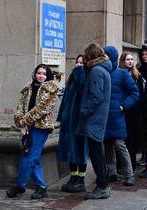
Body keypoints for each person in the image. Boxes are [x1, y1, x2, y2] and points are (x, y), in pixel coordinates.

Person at [6, 64, 60, 200]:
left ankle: (20, 186)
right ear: (35, 74)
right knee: (32, 158)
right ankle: (41, 187)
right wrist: (19, 119)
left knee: (29, 156)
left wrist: (25, 119)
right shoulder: (28, 88)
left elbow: (42, 108)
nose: (41, 76)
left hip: (41, 127)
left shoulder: (50, 90)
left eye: (44, 74)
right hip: (27, 127)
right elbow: (20, 105)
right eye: (38, 73)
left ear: (48, 76)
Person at [75, 43, 112, 199]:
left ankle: (102, 186)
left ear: (90, 56)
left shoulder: (97, 71)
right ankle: (103, 185)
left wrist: (83, 112)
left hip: (93, 119)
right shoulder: (102, 69)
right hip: (97, 118)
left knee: (96, 153)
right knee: (97, 153)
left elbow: (95, 97)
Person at [102, 46, 139, 186]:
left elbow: (134, 93)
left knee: (119, 145)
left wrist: (124, 105)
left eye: (106, 55)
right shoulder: (101, 72)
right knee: (108, 145)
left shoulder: (122, 74)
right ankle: (111, 173)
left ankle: (129, 174)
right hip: (105, 116)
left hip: (117, 116)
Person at [57, 55, 88, 193]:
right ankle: (73, 177)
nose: (79, 64)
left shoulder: (85, 76)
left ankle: (81, 180)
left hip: (79, 121)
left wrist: (80, 72)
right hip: (68, 121)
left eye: (82, 62)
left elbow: (84, 90)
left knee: (80, 150)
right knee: (70, 151)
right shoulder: (72, 78)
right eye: (77, 62)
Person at [119, 51, 144, 172]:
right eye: (127, 59)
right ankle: (122, 166)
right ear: (123, 61)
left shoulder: (137, 76)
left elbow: (139, 94)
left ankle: (132, 165)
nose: (130, 61)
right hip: (122, 111)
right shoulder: (119, 74)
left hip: (134, 113)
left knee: (132, 140)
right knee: (122, 140)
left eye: (131, 59)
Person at [136, 45, 147, 178]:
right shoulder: (140, 69)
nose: (144, 56)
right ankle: (144, 156)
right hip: (142, 107)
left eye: (146, 54)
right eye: (143, 54)